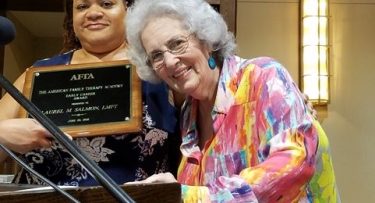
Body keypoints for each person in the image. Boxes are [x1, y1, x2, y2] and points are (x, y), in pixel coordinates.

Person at [125, 0, 340, 202]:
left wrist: (188, 196)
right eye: (157, 56)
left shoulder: (263, 77)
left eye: (177, 43)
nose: (170, 61)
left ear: (205, 40)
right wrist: (171, 191)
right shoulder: (188, 114)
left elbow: (293, 165)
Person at [0, 0, 181, 186]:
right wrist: (3, 134)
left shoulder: (159, 68)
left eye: (106, 4)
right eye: (82, 7)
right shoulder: (38, 74)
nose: (93, 13)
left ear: (128, 9)